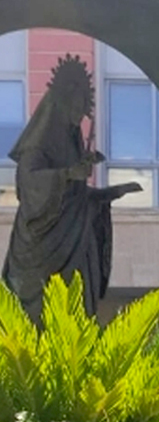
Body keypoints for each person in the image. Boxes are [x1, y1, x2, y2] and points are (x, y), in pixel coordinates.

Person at [3, 54, 142, 323]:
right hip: (40, 248)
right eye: (76, 108)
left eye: (83, 110)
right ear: (62, 102)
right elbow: (28, 180)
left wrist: (109, 193)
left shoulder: (73, 141)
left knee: (74, 309)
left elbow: (77, 198)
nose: (80, 116)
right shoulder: (40, 141)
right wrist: (68, 173)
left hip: (73, 241)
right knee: (37, 317)